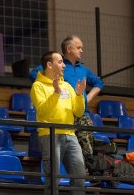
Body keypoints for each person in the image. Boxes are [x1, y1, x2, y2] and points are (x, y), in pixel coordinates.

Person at [30, 35, 104, 157]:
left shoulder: (83, 69)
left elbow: (99, 82)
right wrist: (52, 85)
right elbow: (35, 74)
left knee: (86, 154)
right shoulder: (57, 65)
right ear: (69, 49)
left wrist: (87, 98)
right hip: (61, 114)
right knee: (60, 157)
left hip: (80, 114)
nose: (82, 50)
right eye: (79, 47)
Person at [30, 51, 86, 195]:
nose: (64, 65)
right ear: (49, 65)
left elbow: (78, 112)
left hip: (70, 135)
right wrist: (56, 93)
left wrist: (79, 95)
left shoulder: (67, 86)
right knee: (54, 180)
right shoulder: (38, 86)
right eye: (60, 62)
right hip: (50, 135)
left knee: (79, 177)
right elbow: (42, 111)